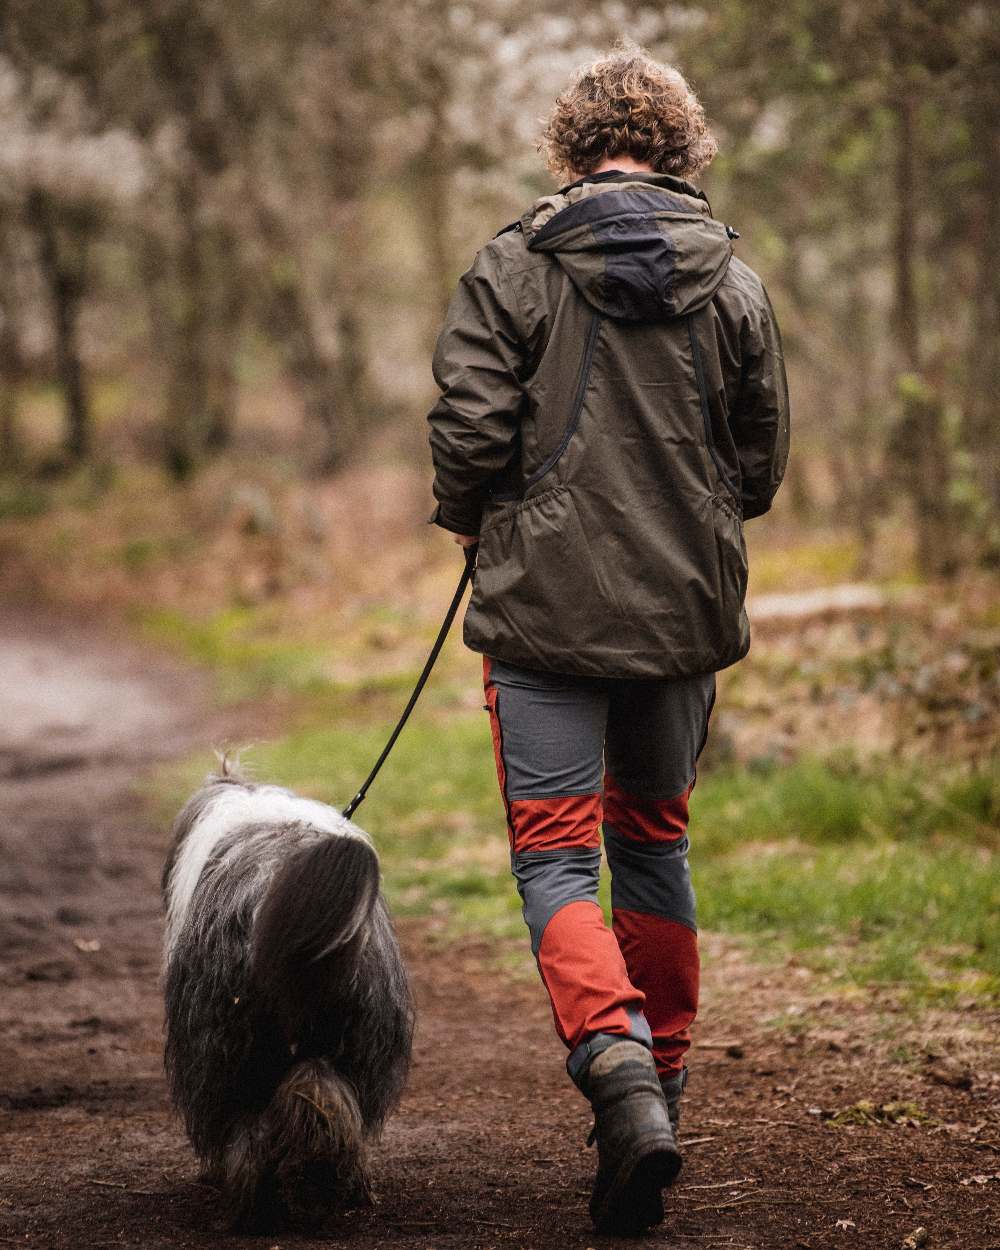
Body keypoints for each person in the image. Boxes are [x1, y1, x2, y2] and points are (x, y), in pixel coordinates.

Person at [426, 42, 789, 1236]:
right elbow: (758, 465)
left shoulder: (512, 267)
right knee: (653, 843)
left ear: (571, 147)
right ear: (679, 146)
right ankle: (660, 1090)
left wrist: (474, 514)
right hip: (683, 614)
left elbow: (469, 431)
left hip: (542, 616)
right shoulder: (733, 279)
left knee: (553, 860)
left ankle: (617, 1066)